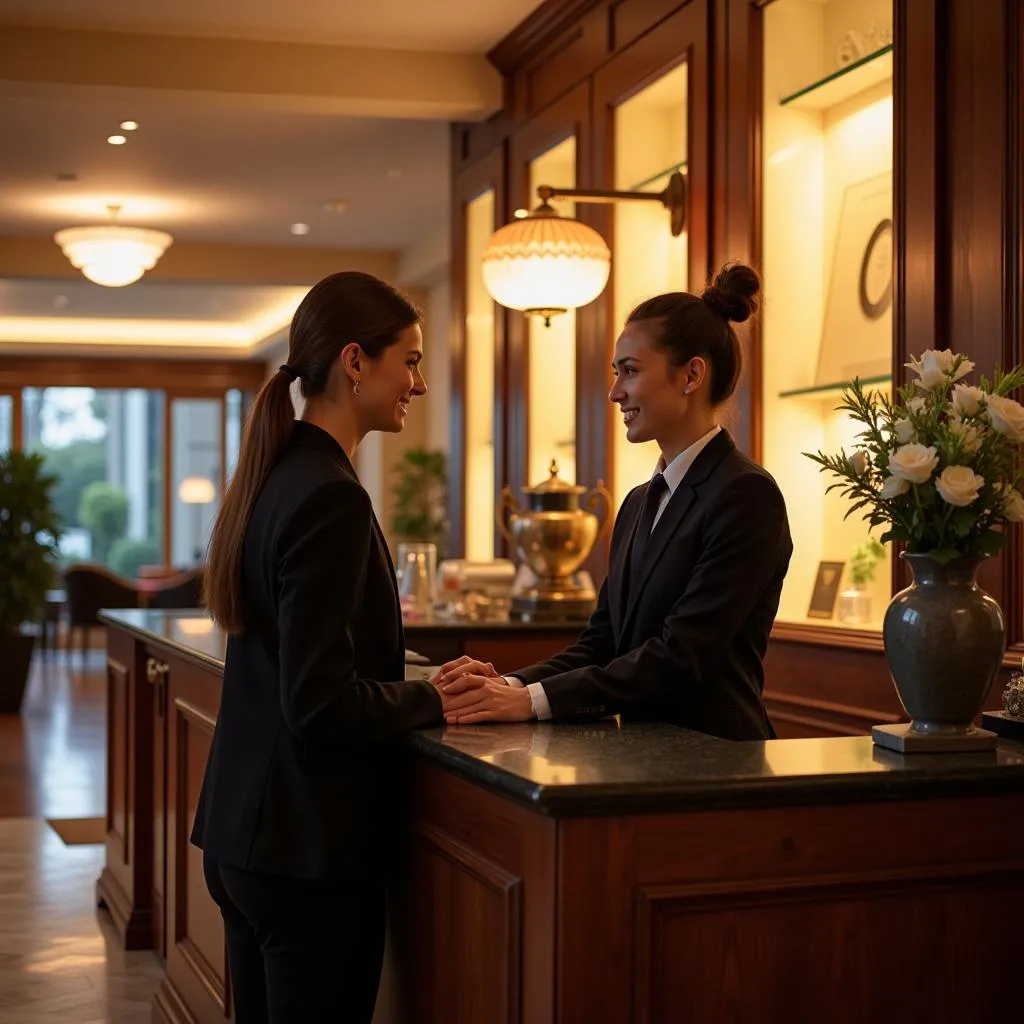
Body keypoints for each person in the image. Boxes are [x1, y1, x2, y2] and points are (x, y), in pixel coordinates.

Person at [193, 271, 443, 1023]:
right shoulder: (329, 493)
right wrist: (434, 697)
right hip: (304, 854)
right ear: (355, 361)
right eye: (411, 361)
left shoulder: (278, 475)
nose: (420, 384)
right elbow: (320, 703)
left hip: (246, 840)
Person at [434, 263, 792, 741]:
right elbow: (602, 643)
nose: (613, 391)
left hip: (717, 766)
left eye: (630, 371)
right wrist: (508, 684)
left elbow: (680, 658)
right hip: (638, 759)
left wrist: (528, 702)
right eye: (615, 372)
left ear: (692, 375)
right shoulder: (639, 501)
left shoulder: (746, 495)